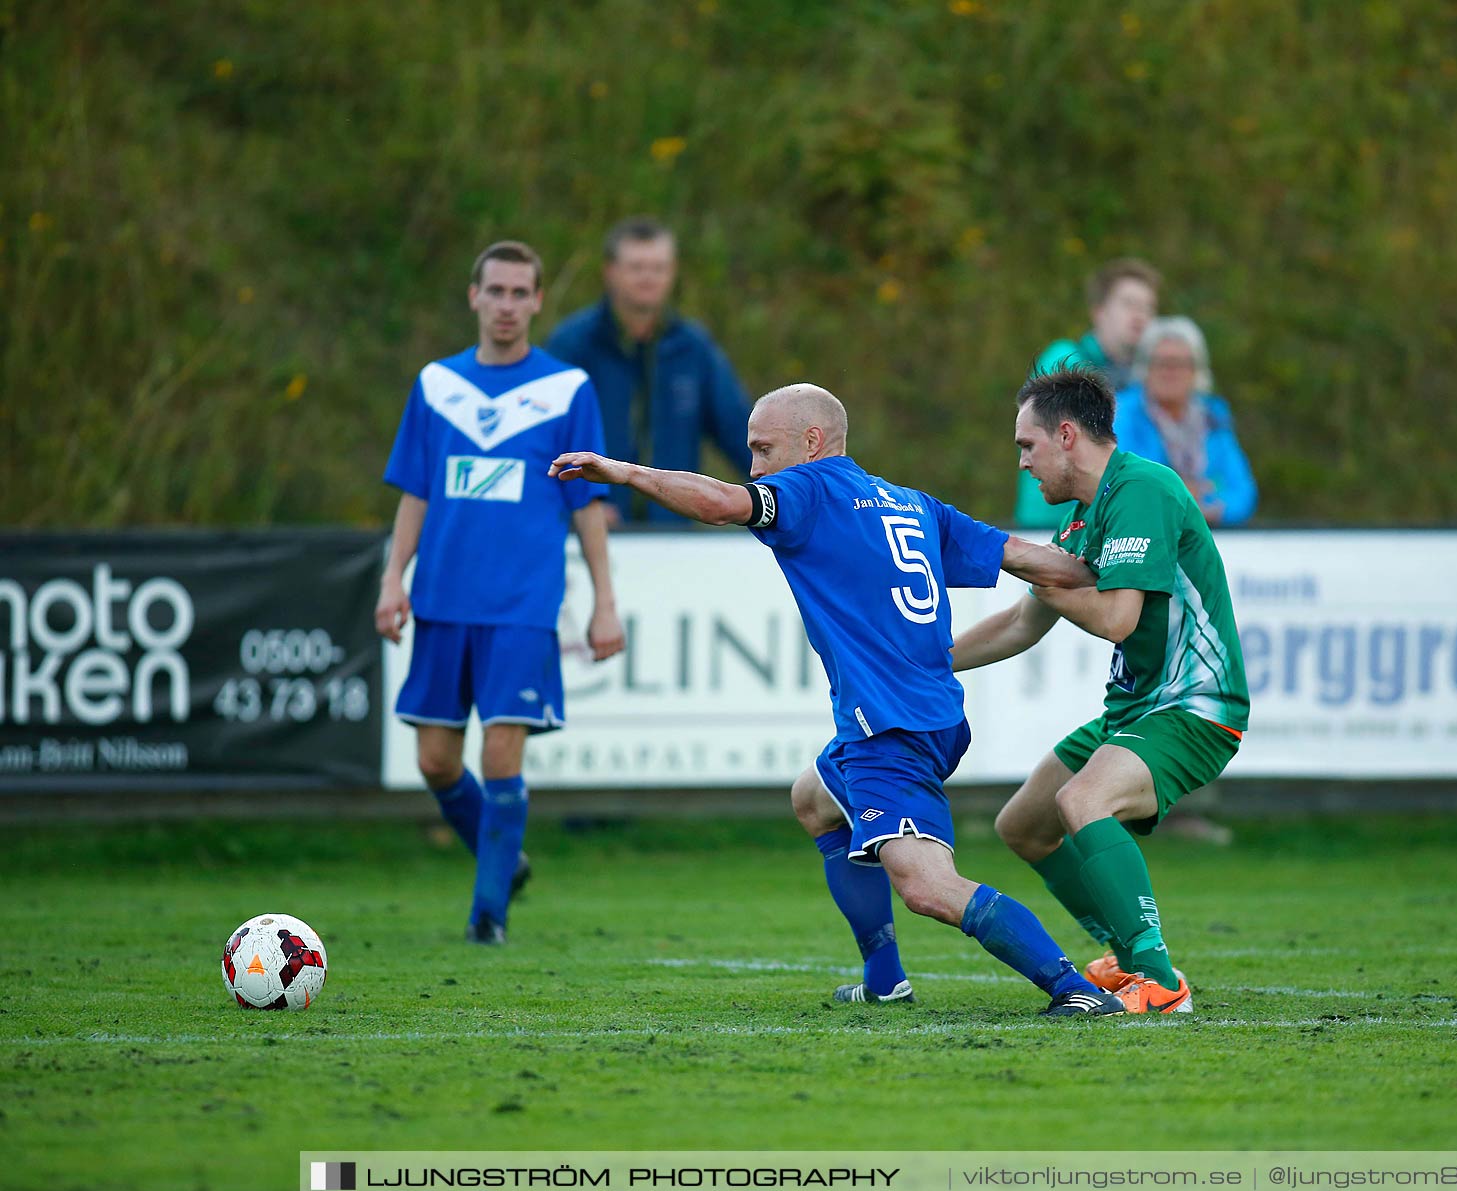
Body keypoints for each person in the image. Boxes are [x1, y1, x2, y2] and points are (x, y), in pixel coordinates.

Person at [551, 384, 1125, 1018]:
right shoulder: (914, 505)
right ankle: (885, 979)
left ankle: (1074, 989)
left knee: (927, 887)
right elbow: (1036, 562)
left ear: (813, 444)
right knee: (814, 797)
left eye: (764, 449)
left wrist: (625, 472)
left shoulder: (809, 491)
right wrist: (1119, 561)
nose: (755, 467)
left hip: (892, 730)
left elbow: (720, 503)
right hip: (921, 716)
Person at [952, 366, 1251, 1014]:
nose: (1024, 464)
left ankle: (1161, 981)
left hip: (1193, 704)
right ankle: (1123, 950)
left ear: (1065, 435)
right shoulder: (1087, 518)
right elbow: (1023, 623)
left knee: (1082, 799)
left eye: (1026, 446)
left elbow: (1116, 617)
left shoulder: (1141, 490)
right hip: (1138, 710)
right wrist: (925, 661)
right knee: (1023, 825)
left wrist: (1043, 576)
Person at [377, 240, 626, 947]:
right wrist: (393, 577)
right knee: (435, 761)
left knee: (502, 756)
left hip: (522, 604)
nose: (509, 305)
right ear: (474, 297)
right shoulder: (435, 387)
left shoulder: (567, 389)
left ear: (539, 302)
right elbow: (417, 492)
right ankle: (503, 860)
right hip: (442, 600)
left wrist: (605, 600)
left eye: (522, 293)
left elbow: (586, 508)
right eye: (498, 291)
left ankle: (488, 915)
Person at [544, 217, 753, 526]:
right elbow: (541, 438)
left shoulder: (693, 350)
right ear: (610, 271)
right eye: (637, 267)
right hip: (592, 532)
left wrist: (784, 497)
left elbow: (739, 432)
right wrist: (576, 505)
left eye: (658, 268)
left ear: (672, 272)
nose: (648, 278)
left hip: (673, 536)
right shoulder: (573, 345)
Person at [1014, 258, 1160, 528]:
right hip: (1051, 525)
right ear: (1099, 312)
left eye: (1148, 308)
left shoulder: (1146, 382)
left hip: (1107, 525)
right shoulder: (1064, 359)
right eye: (1129, 304)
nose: (1140, 316)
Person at [1114, 316, 1257, 526]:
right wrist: (1180, 497)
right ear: (1145, 368)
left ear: (1196, 370)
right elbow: (1123, 483)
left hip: (1208, 534)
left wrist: (1213, 508)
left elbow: (1243, 491)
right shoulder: (1123, 413)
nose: (1170, 373)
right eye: (1161, 363)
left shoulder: (1213, 415)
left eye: (1180, 363)